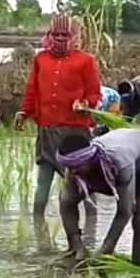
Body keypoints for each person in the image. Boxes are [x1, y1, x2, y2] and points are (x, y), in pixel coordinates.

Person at [14, 14, 103, 221]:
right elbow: (33, 90)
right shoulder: (41, 59)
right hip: (46, 129)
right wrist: (24, 112)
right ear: (49, 35)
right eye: (56, 34)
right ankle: (38, 226)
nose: (61, 39)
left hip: (74, 132)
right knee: (43, 181)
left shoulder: (85, 61)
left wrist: (85, 104)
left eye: (65, 35)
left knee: (83, 182)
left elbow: (94, 93)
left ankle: (91, 227)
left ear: (74, 36)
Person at [55, 127, 140, 266]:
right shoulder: (74, 167)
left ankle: (137, 265)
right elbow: (66, 204)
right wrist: (77, 245)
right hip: (118, 153)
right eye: (68, 167)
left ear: (89, 159)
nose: (72, 171)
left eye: (76, 167)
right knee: (66, 199)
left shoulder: (119, 162)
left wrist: (105, 250)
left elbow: (125, 211)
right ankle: (76, 249)